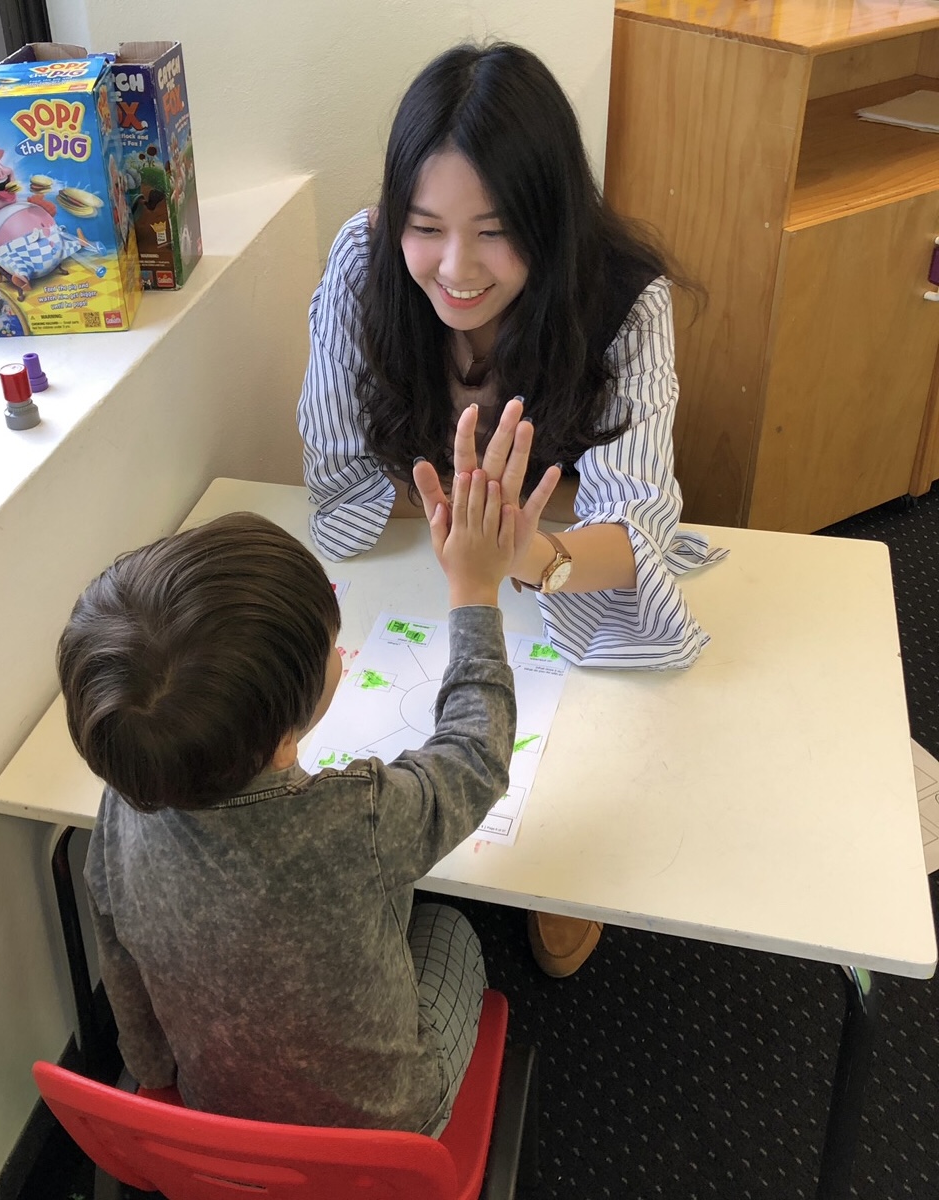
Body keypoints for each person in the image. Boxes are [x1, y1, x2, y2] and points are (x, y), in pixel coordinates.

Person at [297, 41, 727, 976]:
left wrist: (530, 556)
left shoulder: (623, 299)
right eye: (425, 225)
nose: (455, 267)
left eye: (494, 231)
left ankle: (555, 873)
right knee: (382, 712)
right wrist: (454, 528)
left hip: (554, 558)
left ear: (550, 217)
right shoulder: (365, 263)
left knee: (584, 726)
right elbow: (334, 470)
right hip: (419, 542)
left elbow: (639, 522)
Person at [56, 452, 537, 1134]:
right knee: (454, 927)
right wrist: (474, 595)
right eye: (332, 643)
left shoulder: (120, 808)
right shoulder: (359, 818)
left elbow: (123, 970)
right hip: (387, 1134)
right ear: (289, 726)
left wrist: (157, 1074)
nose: (340, 652)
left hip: (213, 1112)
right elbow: (475, 758)